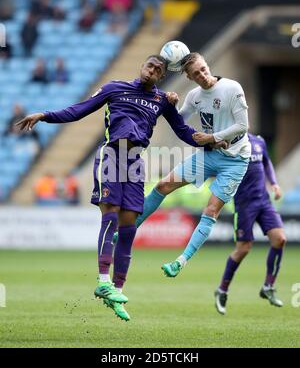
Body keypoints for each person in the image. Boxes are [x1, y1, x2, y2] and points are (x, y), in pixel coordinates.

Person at [16, 55, 223, 322]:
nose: (153, 70)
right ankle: (103, 280)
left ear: (162, 77)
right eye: (150, 65)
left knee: (129, 228)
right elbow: (79, 109)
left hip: (135, 162)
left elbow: (183, 131)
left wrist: (212, 141)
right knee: (110, 214)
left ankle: (117, 290)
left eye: (159, 69)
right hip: (111, 155)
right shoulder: (114, 87)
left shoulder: (161, 101)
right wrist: (45, 115)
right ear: (142, 67)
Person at [113, 52, 251, 282]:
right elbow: (178, 121)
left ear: (208, 65)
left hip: (235, 159)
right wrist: (170, 103)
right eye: (196, 73)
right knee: (163, 185)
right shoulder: (195, 96)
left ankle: (181, 261)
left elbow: (243, 126)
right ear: (189, 77)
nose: (203, 75)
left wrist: (211, 137)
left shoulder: (232, 88)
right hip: (209, 154)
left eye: (204, 69)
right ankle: (128, 230)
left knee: (210, 211)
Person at [214, 133, 286, 314]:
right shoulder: (228, 143)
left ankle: (268, 286)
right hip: (244, 204)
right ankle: (222, 290)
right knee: (243, 249)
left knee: (280, 239)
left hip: (264, 201)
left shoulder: (259, 141)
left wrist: (274, 184)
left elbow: (267, 162)